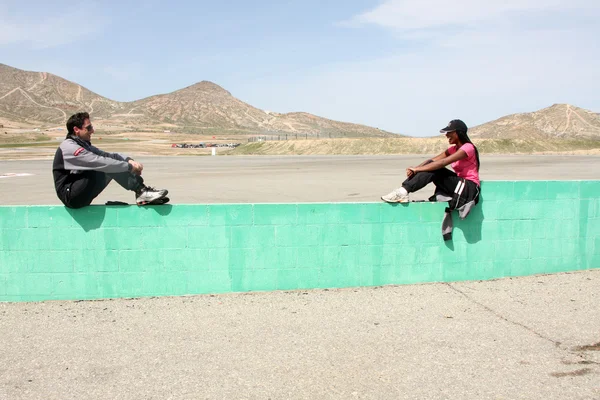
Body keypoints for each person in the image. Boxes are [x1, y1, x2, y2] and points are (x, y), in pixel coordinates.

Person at [52, 112, 168, 208]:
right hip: (70, 196)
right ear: (76, 129)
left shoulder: (84, 145)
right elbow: (99, 162)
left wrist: (129, 161)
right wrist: (128, 167)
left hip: (79, 192)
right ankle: (141, 192)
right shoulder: (69, 147)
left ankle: (142, 192)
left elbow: (108, 155)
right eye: (89, 128)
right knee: (106, 165)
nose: (92, 130)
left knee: (110, 162)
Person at [381, 119, 480, 204]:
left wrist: (417, 169)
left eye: (449, 132)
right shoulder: (453, 149)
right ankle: (402, 190)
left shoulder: (468, 147)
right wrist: (415, 170)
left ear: (458, 133)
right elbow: (431, 160)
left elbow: (442, 162)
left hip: (469, 189)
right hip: (459, 185)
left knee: (437, 169)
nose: (446, 135)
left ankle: (402, 192)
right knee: (431, 165)